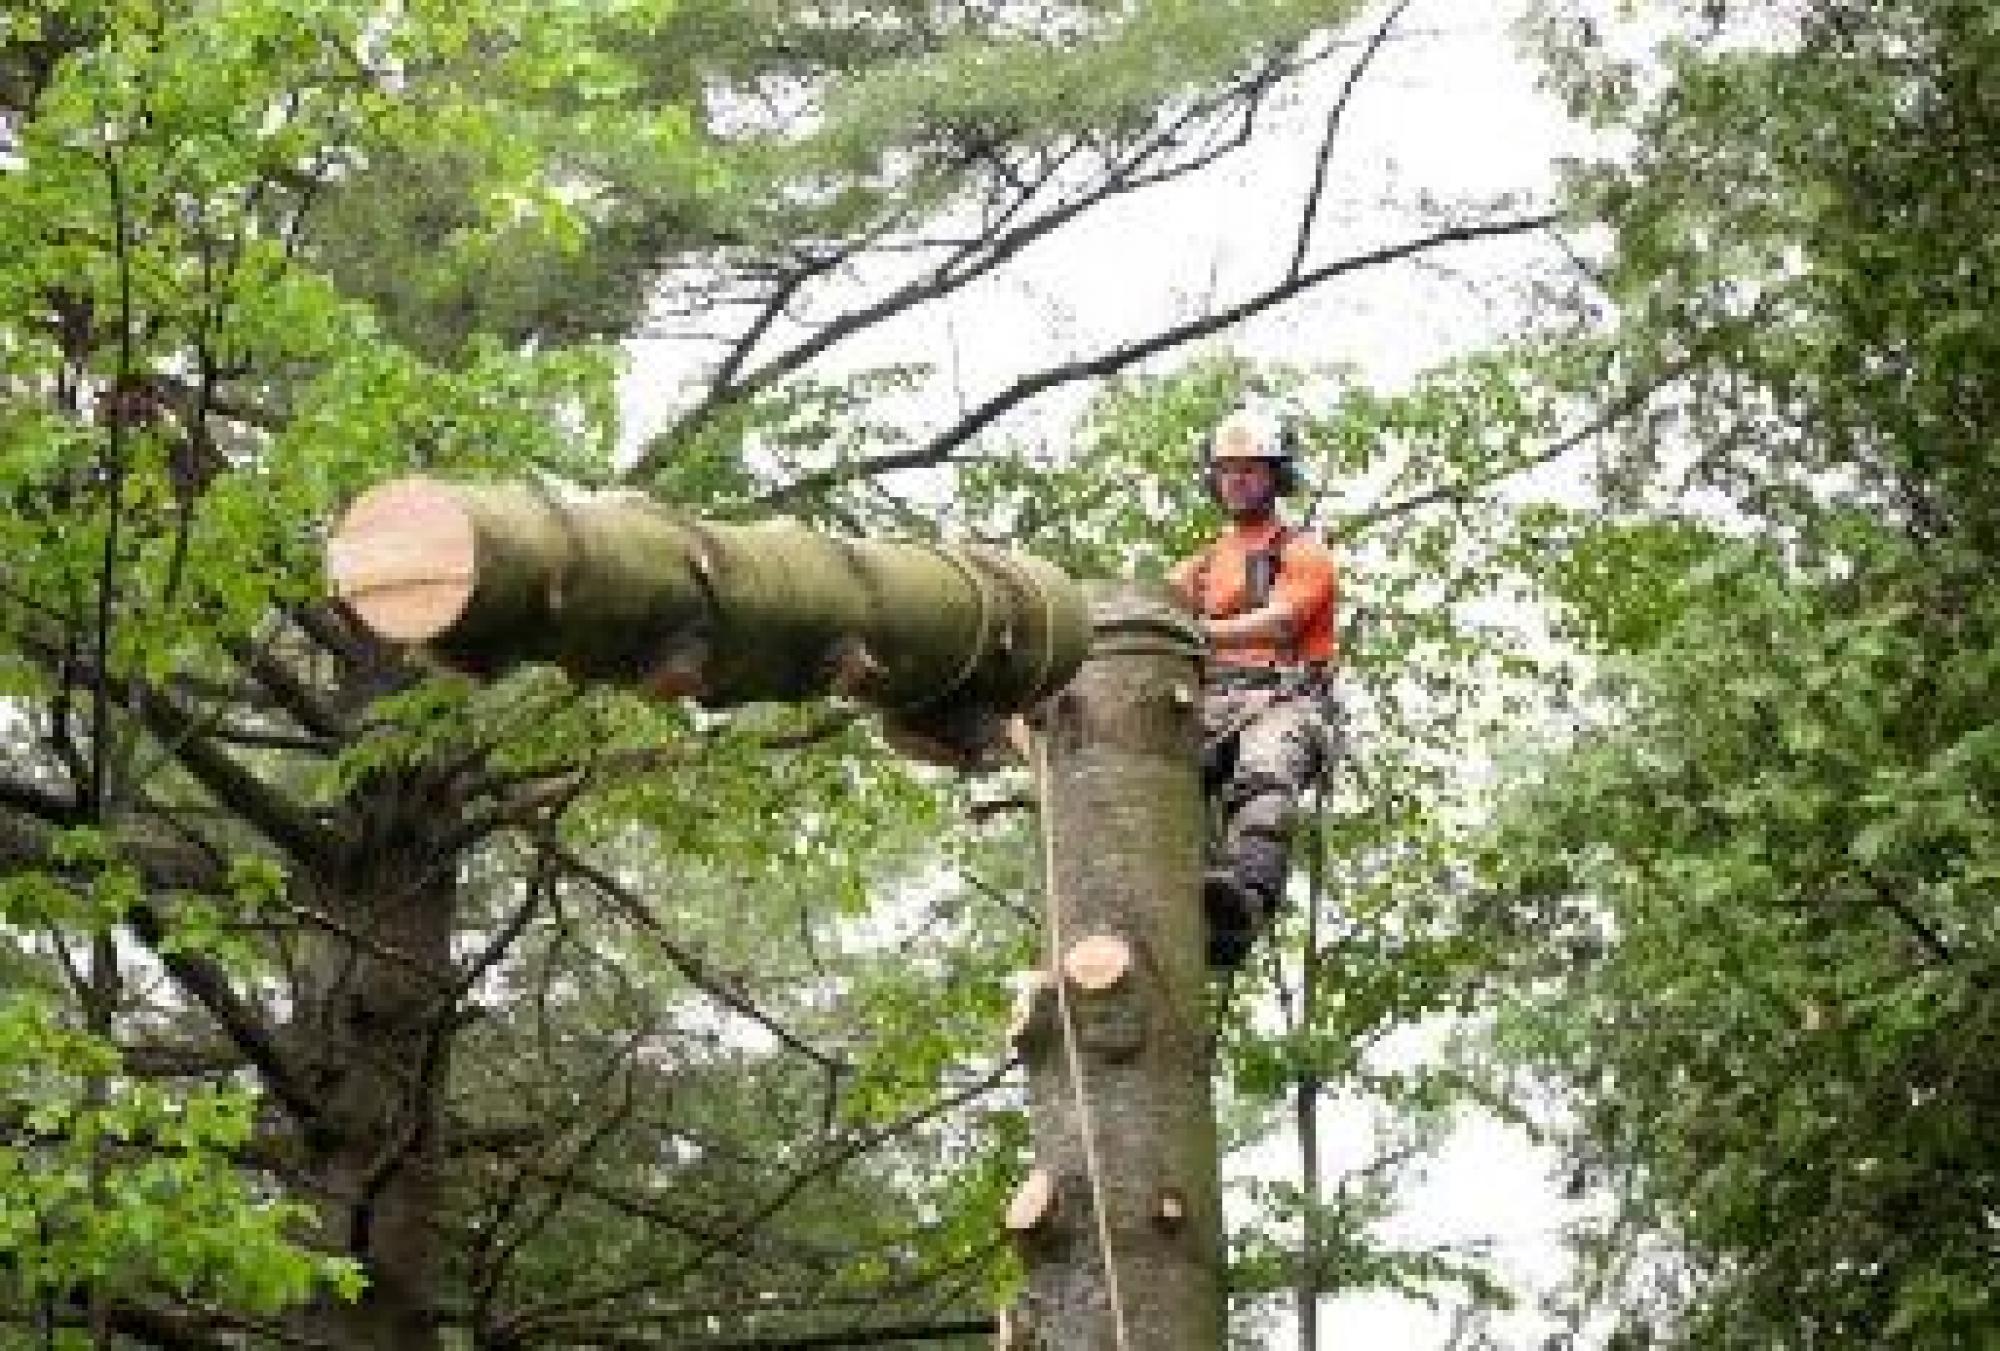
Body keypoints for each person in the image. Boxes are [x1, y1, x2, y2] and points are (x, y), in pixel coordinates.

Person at [1168, 407, 1340, 969]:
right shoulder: (1199, 567)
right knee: (1148, 762)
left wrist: (1199, 632)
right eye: (1226, 470)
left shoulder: (1303, 553)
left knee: (1264, 769)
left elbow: (1281, 621)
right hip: (1213, 702)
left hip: (1284, 699)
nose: (1236, 480)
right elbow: (1151, 612)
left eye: (1250, 469)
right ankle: (1167, 891)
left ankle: (1244, 897)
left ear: (1275, 476)